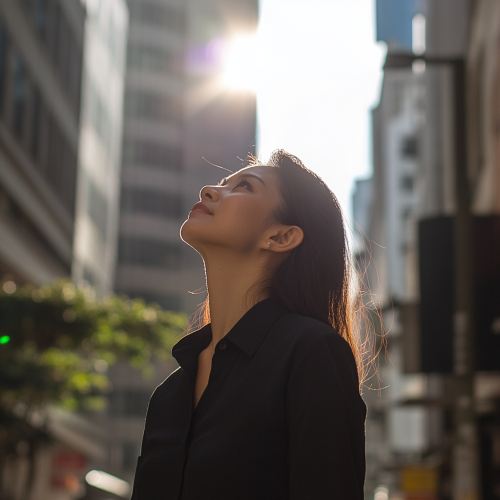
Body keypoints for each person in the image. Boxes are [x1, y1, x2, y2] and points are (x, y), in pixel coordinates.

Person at [131, 150, 367, 500]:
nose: (210, 190)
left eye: (243, 186)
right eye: (222, 182)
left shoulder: (310, 351)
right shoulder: (169, 394)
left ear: (281, 237)